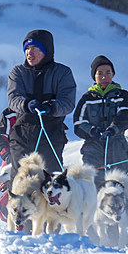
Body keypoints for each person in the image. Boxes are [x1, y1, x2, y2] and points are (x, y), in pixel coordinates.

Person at [6, 29, 77, 182]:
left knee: (51, 183)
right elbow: (13, 98)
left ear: (47, 50)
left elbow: (68, 102)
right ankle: (14, 206)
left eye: (35, 49)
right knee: (20, 181)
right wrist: (27, 104)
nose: (29, 53)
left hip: (50, 133)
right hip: (23, 134)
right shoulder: (18, 72)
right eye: (27, 48)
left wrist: (52, 107)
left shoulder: (62, 73)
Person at [72, 55, 128, 189]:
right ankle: (94, 210)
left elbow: (126, 115)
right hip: (93, 148)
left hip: (118, 147)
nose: (104, 77)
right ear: (94, 76)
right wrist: (92, 131)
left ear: (113, 74)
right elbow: (78, 123)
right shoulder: (87, 99)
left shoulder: (123, 96)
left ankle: (121, 210)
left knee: (119, 185)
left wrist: (113, 129)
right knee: (93, 185)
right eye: (100, 73)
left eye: (108, 72)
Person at [0, 107, 18, 221]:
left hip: (38, 161)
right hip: (12, 160)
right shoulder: (11, 114)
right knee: (7, 206)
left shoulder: (46, 108)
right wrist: (7, 155)